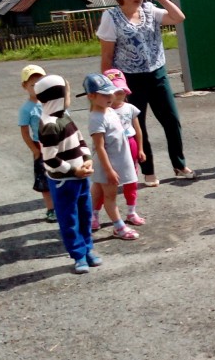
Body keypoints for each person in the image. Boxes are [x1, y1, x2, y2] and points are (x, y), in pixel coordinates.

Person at [97, 0, 195, 187]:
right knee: (136, 124)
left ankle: (179, 165)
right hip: (129, 79)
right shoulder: (111, 17)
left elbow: (179, 18)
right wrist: (108, 87)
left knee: (171, 120)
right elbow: (107, 56)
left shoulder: (150, 10)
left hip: (157, 74)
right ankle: (148, 171)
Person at [34, 75, 101, 275]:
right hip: (64, 182)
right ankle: (78, 254)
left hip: (81, 177)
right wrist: (74, 170)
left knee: (85, 215)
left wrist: (87, 158)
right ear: (58, 96)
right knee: (69, 219)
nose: (69, 97)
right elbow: (50, 159)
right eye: (67, 92)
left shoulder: (64, 116)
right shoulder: (49, 124)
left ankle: (88, 249)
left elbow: (80, 140)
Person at [80, 74, 140, 241]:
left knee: (98, 190)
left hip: (116, 160)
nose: (110, 97)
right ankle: (119, 227)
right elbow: (99, 147)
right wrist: (109, 170)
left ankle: (90, 217)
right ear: (91, 96)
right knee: (110, 196)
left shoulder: (110, 111)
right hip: (107, 164)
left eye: (111, 93)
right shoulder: (96, 118)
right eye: (105, 94)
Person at [103, 68, 146, 226]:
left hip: (130, 143)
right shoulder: (104, 112)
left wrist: (140, 149)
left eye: (122, 90)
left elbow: (138, 129)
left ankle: (131, 211)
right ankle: (95, 213)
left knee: (132, 178)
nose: (119, 93)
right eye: (115, 91)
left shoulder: (130, 108)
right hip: (112, 146)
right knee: (106, 181)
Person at [17, 64, 56, 223]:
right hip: (41, 146)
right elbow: (25, 131)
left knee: (62, 176)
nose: (37, 88)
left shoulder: (52, 102)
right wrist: (35, 150)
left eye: (40, 83)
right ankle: (51, 209)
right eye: (32, 85)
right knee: (45, 182)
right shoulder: (26, 109)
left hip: (57, 145)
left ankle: (64, 204)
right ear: (25, 86)